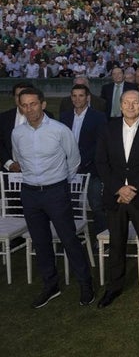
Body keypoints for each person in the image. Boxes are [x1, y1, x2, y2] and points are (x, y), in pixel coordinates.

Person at [12, 87, 95, 308]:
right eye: (25, 105)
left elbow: (74, 159)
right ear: (20, 107)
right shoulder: (18, 133)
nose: (29, 109)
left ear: (43, 104)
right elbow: (18, 157)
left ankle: (86, 284)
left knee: (69, 239)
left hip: (56, 192)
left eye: (33, 104)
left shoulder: (59, 131)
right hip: (29, 194)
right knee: (41, 242)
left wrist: (59, 182)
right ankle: (51, 286)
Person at [95, 90, 139, 308]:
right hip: (116, 198)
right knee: (116, 243)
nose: (131, 106)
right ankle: (114, 287)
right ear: (120, 105)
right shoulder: (108, 128)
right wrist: (119, 189)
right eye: (126, 102)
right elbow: (101, 162)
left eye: (135, 102)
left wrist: (133, 189)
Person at [60, 84, 109, 236]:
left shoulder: (98, 117)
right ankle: (73, 235)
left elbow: (100, 143)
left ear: (87, 97)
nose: (77, 99)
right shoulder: (65, 116)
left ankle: (101, 235)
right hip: (68, 169)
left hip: (91, 168)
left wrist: (81, 161)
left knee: (96, 204)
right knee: (69, 204)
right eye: (74, 95)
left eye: (81, 95)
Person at [1, 81, 35, 172]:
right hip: (9, 170)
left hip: (36, 172)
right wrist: (9, 164)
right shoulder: (3, 118)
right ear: (14, 97)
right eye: (17, 95)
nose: (21, 99)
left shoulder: (45, 116)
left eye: (24, 95)